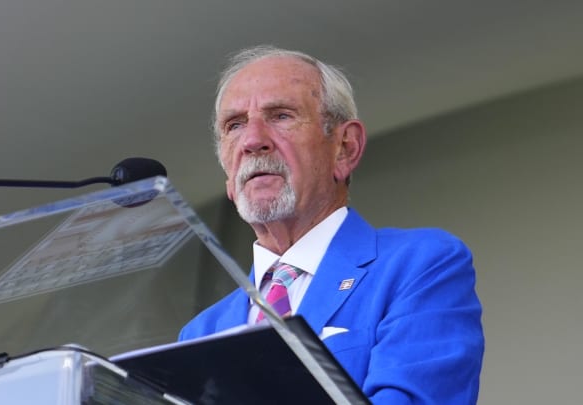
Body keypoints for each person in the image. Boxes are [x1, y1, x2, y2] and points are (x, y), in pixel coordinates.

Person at [179, 45, 484, 404]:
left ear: (345, 148)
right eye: (234, 125)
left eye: (281, 116)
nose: (252, 140)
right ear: (228, 176)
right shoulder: (200, 333)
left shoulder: (420, 265)